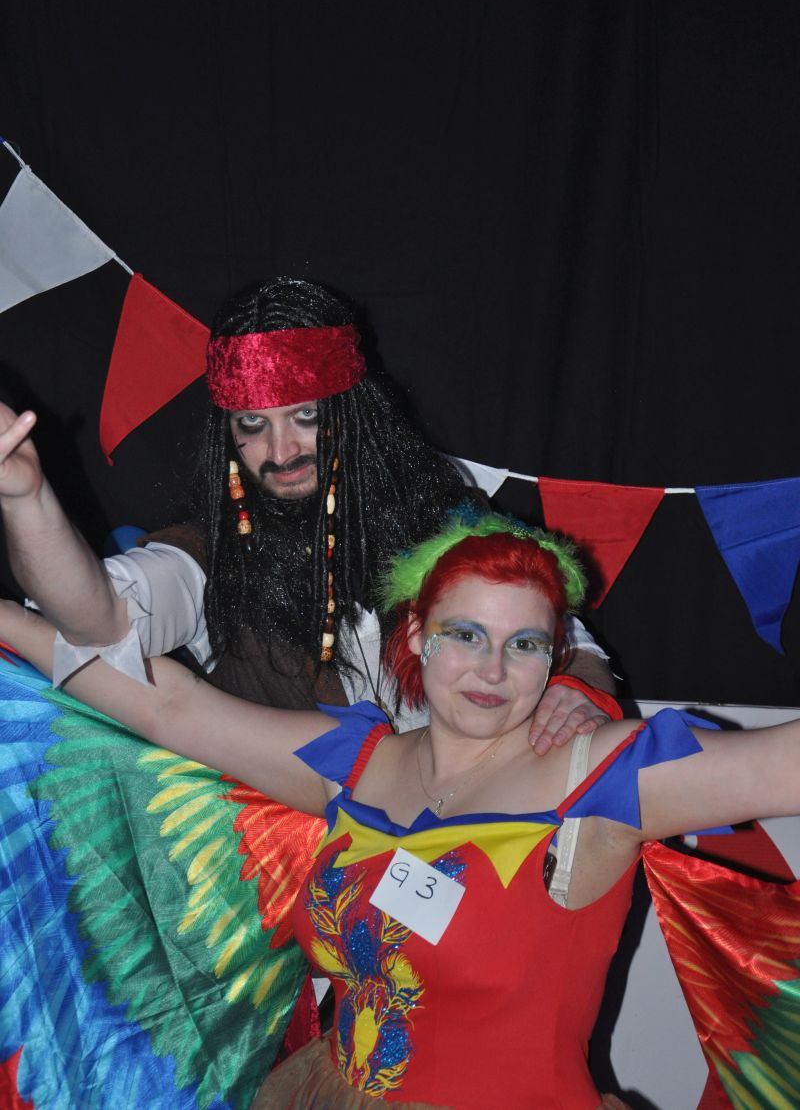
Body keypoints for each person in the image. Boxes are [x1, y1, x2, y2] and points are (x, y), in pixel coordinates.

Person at [3, 511, 800, 1109]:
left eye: (524, 644)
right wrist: (10, 594)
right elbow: (167, 706)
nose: (493, 670)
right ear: (417, 634)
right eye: (466, 635)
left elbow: (779, 766)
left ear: (555, 653)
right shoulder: (357, 765)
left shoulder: (596, 777)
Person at [0, 278, 613, 743]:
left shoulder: (440, 510)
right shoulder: (211, 553)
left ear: (353, 415)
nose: (281, 451)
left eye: (307, 416)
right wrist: (27, 498)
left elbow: (558, 631)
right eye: (252, 424)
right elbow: (98, 620)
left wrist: (578, 688)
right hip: (291, 855)